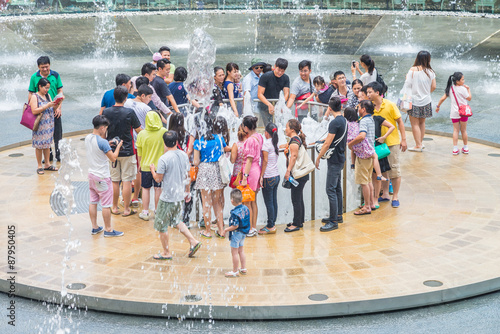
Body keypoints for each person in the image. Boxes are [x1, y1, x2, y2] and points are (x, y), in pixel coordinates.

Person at [150, 131, 202, 260]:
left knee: (161, 225)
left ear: (164, 143)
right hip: (179, 196)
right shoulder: (184, 155)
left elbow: (158, 179)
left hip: (167, 197)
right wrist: (187, 191)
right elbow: (187, 176)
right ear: (177, 142)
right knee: (176, 221)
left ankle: (166, 252)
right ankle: (193, 241)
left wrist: (152, 170)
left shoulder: (164, 158)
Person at [102, 86, 143, 217]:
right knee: (126, 180)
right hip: (127, 150)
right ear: (125, 98)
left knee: (114, 180)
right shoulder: (129, 112)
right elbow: (138, 130)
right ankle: (126, 209)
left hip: (112, 150)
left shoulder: (106, 112)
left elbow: (103, 132)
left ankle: (114, 207)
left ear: (114, 97)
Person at [367, 81, 407, 208]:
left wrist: (404, 139)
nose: (367, 94)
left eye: (370, 92)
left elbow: (400, 122)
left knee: (394, 169)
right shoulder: (370, 107)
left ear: (377, 93)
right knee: (383, 170)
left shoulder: (390, 105)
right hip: (377, 145)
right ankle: (385, 194)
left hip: (391, 143)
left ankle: (395, 196)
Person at [85, 115, 124, 237]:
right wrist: (117, 146)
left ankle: (95, 227)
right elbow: (113, 158)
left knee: (93, 202)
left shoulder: (88, 137)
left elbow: (99, 145)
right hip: (102, 177)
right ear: (102, 128)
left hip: (91, 175)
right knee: (106, 205)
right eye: (105, 128)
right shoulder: (102, 142)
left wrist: (108, 143)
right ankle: (108, 229)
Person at [314, 97, 347, 232]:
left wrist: (318, 157)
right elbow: (331, 139)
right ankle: (337, 215)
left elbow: (328, 143)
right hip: (340, 157)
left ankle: (333, 221)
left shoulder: (334, 123)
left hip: (334, 160)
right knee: (337, 188)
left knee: (330, 189)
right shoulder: (343, 120)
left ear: (330, 108)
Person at [193, 112, 228, 239]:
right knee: (217, 202)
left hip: (204, 170)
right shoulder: (219, 138)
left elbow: (196, 162)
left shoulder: (198, 141)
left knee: (206, 202)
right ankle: (221, 229)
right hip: (217, 169)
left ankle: (208, 231)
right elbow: (224, 150)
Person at [28, 56, 64, 162]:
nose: (45, 69)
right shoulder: (34, 77)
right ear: (38, 67)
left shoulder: (55, 75)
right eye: (42, 67)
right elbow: (30, 94)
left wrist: (59, 108)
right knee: (44, 135)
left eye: (46, 67)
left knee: (57, 133)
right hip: (41, 112)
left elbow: (60, 92)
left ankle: (58, 154)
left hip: (54, 109)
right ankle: (49, 157)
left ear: (50, 65)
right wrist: (31, 110)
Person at [136, 111, 168, 221]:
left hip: (145, 166)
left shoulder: (142, 134)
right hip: (159, 167)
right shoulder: (164, 132)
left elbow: (139, 152)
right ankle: (157, 211)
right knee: (158, 188)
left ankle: (145, 212)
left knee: (145, 188)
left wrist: (139, 164)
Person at [347, 101, 377, 215]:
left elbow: (362, 135)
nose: (358, 110)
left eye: (359, 107)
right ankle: (370, 203)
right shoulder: (371, 119)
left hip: (363, 155)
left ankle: (367, 207)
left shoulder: (364, 120)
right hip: (370, 154)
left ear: (363, 109)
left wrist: (351, 144)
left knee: (364, 182)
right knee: (368, 180)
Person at [29, 78, 62, 174]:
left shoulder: (47, 95)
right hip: (40, 124)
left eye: (48, 88)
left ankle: (47, 164)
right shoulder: (35, 96)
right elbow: (34, 110)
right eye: (45, 88)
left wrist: (58, 103)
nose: (47, 90)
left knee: (47, 145)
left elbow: (52, 108)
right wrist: (46, 106)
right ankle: (39, 165)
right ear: (40, 86)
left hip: (49, 124)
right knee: (39, 145)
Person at [406, 51, 437, 152]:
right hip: (426, 100)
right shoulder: (431, 72)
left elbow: (407, 84)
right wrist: (426, 93)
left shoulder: (412, 70)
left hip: (414, 100)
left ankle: (418, 145)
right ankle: (420, 143)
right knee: (422, 122)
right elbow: (434, 87)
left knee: (414, 124)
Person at [436, 72, 472, 155]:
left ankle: (455, 149)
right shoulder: (463, 89)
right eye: (462, 79)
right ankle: (465, 148)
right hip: (463, 113)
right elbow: (469, 98)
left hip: (454, 113)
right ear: (457, 81)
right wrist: (468, 89)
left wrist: (438, 106)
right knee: (463, 130)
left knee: (455, 130)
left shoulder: (450, 89)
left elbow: (442, 98)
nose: (464, 81)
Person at [283, 119, 309, 232]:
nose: (285, 129)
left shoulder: (294, 141)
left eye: (287, 127)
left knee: (296, 198)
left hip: (298, 174)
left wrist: (288, 171)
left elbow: (293, 157)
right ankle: (299, 220)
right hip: (301, 174)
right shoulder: (295, 139)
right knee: (299, 197)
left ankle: (296, 223)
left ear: (292, 130)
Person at [222, 188, 251, 278]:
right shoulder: (246, 208)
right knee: (241, 251)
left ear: (232, 201)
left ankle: (235, 271)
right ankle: (243, 268)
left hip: (236, 234)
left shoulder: (235, 213)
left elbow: (235, 226)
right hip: (243, 233)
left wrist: (226, 230)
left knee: (234, 253)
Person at [259, 122, 280, 235]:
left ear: (266, 133)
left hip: (268, 176)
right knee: (274, 201)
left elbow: (265, 161)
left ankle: (270, 225)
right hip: (276, 176)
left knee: (269, 202)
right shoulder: (275, 142)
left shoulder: (266, 144)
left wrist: (261, 176)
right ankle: (272, 223)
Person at [257, 58, 290, 126]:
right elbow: (260, 94)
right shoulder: (265, 76)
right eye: (278, 70)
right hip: (264, 106)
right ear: (275, 66)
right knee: (268, 126)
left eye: (282, 71)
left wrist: (281, 104)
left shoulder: (286, 78)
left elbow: (286, 93)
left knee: (278, 126)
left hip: (277, 106)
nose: (280, 73)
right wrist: (269, 104)